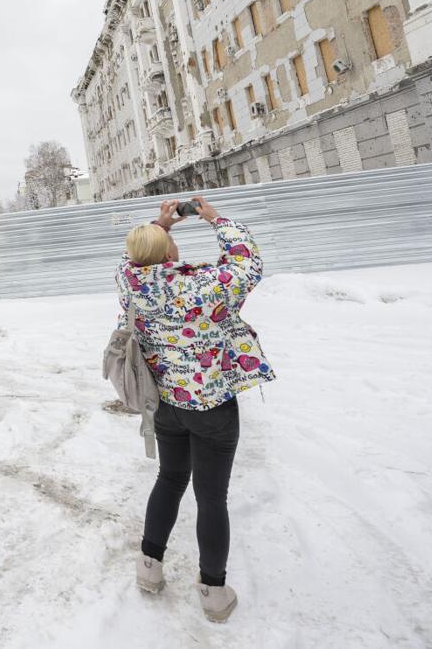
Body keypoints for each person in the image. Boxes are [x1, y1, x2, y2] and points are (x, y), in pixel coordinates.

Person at [117, 195, 273, 623]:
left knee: (169, 479)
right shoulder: (204, 285)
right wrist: (215, 220)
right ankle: (213, 592)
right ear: (169, 251)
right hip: (211, 408)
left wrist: (160, 225)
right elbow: (248, 263)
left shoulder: (130, 281)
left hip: (166, 403)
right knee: (210, 497)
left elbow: (135, 259)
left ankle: (149, 567)